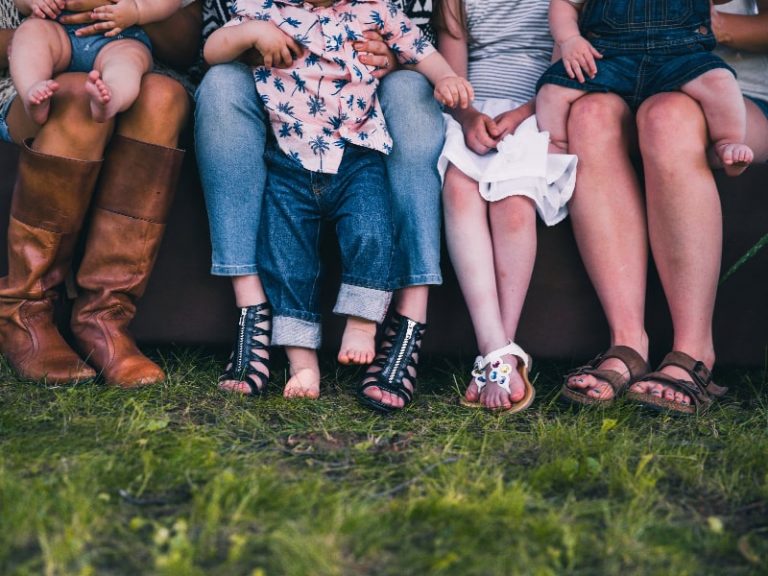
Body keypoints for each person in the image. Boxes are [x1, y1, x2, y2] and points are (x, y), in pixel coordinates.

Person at [202, 0, 472, 399]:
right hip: (288, 157)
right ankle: (302, 364)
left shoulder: (375, 9)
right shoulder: (267, 8)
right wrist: (250, 33)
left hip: (356, 153)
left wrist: (445, 76)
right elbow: (212, 51)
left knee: (372, 233)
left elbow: (419, 47)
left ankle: (363, 324)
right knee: (286, 257)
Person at [559, 0, 768, 413]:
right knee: (589, 116)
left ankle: (694, 353)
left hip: (734, 96)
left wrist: (704, 25)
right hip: (627, 78)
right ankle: (627, 343)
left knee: (667, 117)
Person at [0, 0, 200, 387]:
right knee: (72, 95)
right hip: (34, 72)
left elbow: (186, 44)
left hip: (135, 60)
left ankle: (104, 317)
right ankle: (24, 311)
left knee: (162, 98)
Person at [434, 0, 577, 411]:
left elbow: (562, 71)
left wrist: (519, 115)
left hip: (535, 111)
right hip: (473, 113)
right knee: (459, 188)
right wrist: (467, 118)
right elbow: (452, 75)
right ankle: (495, 348)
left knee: (513, 202)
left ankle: (501, 349)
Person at [535, 0, 754, 176]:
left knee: (720, 80)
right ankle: (558, 145)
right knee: (552, 90)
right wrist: (569, 39)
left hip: (678, 57)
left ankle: (727, 141)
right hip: (609, 58)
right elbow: (565, 4)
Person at [11, 0, 182, 124]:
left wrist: (138, 10)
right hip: (58, 30)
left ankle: (113, 96)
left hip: (119, 36)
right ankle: (32, 89)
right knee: (29, 33)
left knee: (128, 60)